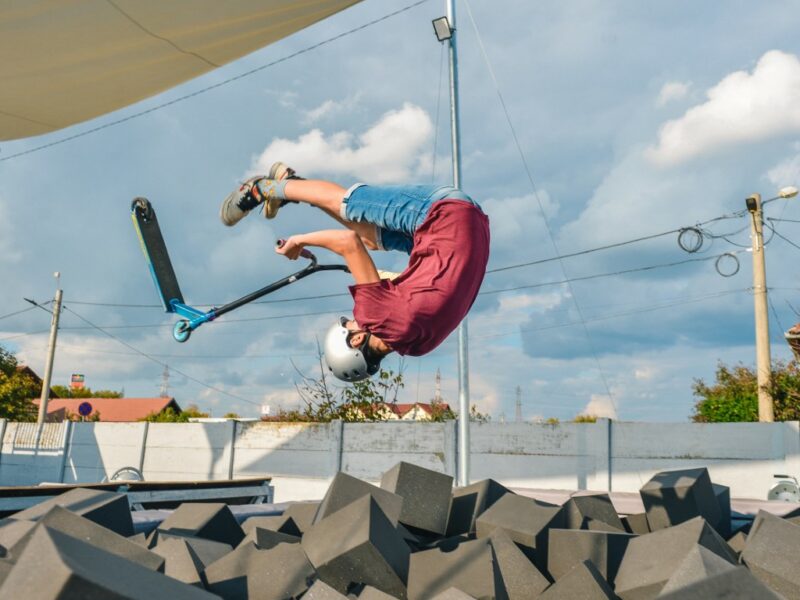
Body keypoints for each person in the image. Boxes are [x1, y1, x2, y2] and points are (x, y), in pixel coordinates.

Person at [220, 162, 490, 381]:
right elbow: (347, 244)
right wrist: (299, 241)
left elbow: (426, 292)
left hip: (470, 230)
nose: (353, 318)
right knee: (350, 203)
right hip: (440, 212)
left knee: (372, 239)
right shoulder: (377, 317)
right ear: (357, 338)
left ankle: (295, 186)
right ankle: (263, 188)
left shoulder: (417, 345)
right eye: (348, 324)